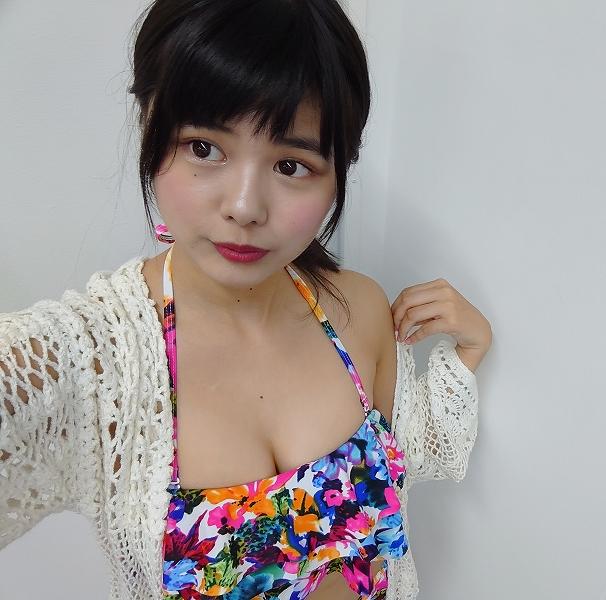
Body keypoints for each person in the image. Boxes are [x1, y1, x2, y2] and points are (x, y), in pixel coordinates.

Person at [0, 1, 492, 598]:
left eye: (291, 164)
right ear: (150, 123)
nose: (245, 207)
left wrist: (467, 351)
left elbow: (411, 453)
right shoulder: (94, 360)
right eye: (203, 148)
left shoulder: (358, 309)